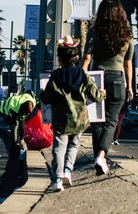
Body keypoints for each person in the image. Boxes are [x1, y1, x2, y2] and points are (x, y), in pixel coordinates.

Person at [40, 36, 105, 192]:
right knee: (74, 144)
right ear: (76, 58)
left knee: (58, 148)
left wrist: (42, 93)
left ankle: (57, 180)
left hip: (61, 119)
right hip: (80, 118)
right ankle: (68, 171)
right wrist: (103, 93)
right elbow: (95, 96)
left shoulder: (55, 76)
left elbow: (47, 97)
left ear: (60, 58)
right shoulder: (83, 75)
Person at [80, 0, 134, 175]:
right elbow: (128, 63)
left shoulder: (95, 32)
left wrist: (81, 77)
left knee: (97, 121)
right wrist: (130, 87)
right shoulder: (127, 34)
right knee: (111, 121)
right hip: (118, 79)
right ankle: (101, 156)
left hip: (96, 78)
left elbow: (87, 58)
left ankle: (98, 156)